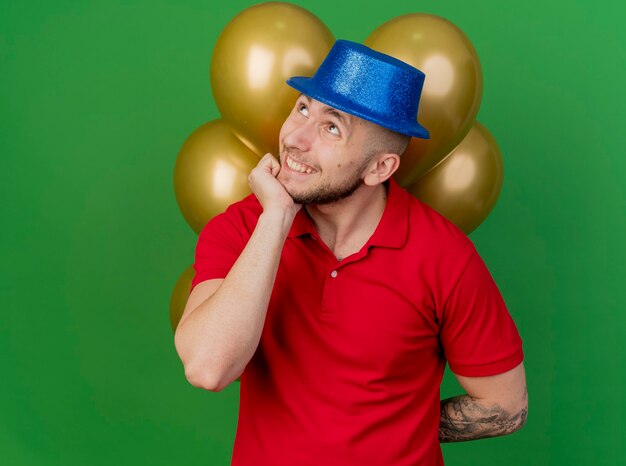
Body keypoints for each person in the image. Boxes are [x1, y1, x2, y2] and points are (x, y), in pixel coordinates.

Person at [174, 39, 527, 466]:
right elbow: (207, 369)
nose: (296, 139)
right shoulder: (243, 227)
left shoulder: (444, 255)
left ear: (380, 168)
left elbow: (506, 407)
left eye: (332, 127)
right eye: (303, 108)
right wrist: (276, 218)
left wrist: (397, 425)